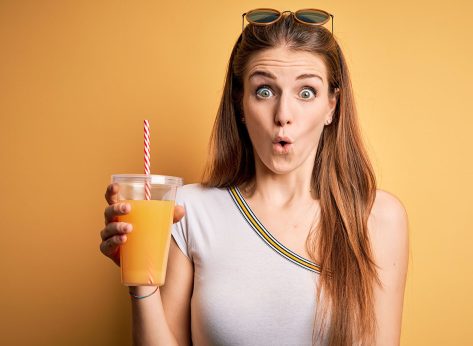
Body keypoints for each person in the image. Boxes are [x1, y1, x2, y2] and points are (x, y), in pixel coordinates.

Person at [100, 9, 408, 346]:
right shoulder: (187, 210)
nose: (283, 116)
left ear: (331, 107)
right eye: (264, 91)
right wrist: (140, 280)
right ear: (240, 104)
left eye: (306, 93)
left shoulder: (376, 218)